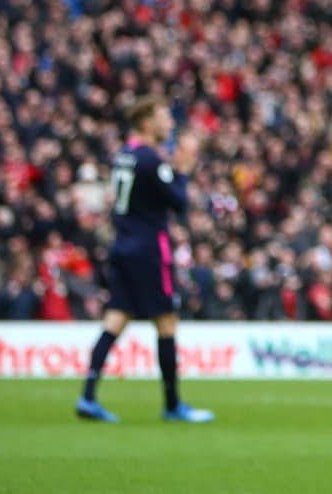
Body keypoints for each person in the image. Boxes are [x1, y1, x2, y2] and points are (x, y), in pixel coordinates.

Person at [75, 96, 214, 424]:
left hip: (122, 245)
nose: (170, 123)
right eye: (165, 116)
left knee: (116, 319)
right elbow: (178, 203)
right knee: (166, 322)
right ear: (147, 123)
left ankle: (88, 396)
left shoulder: (124, 155)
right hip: (149, 250)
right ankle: (172, 404)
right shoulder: (151, 160)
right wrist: (184, 169)